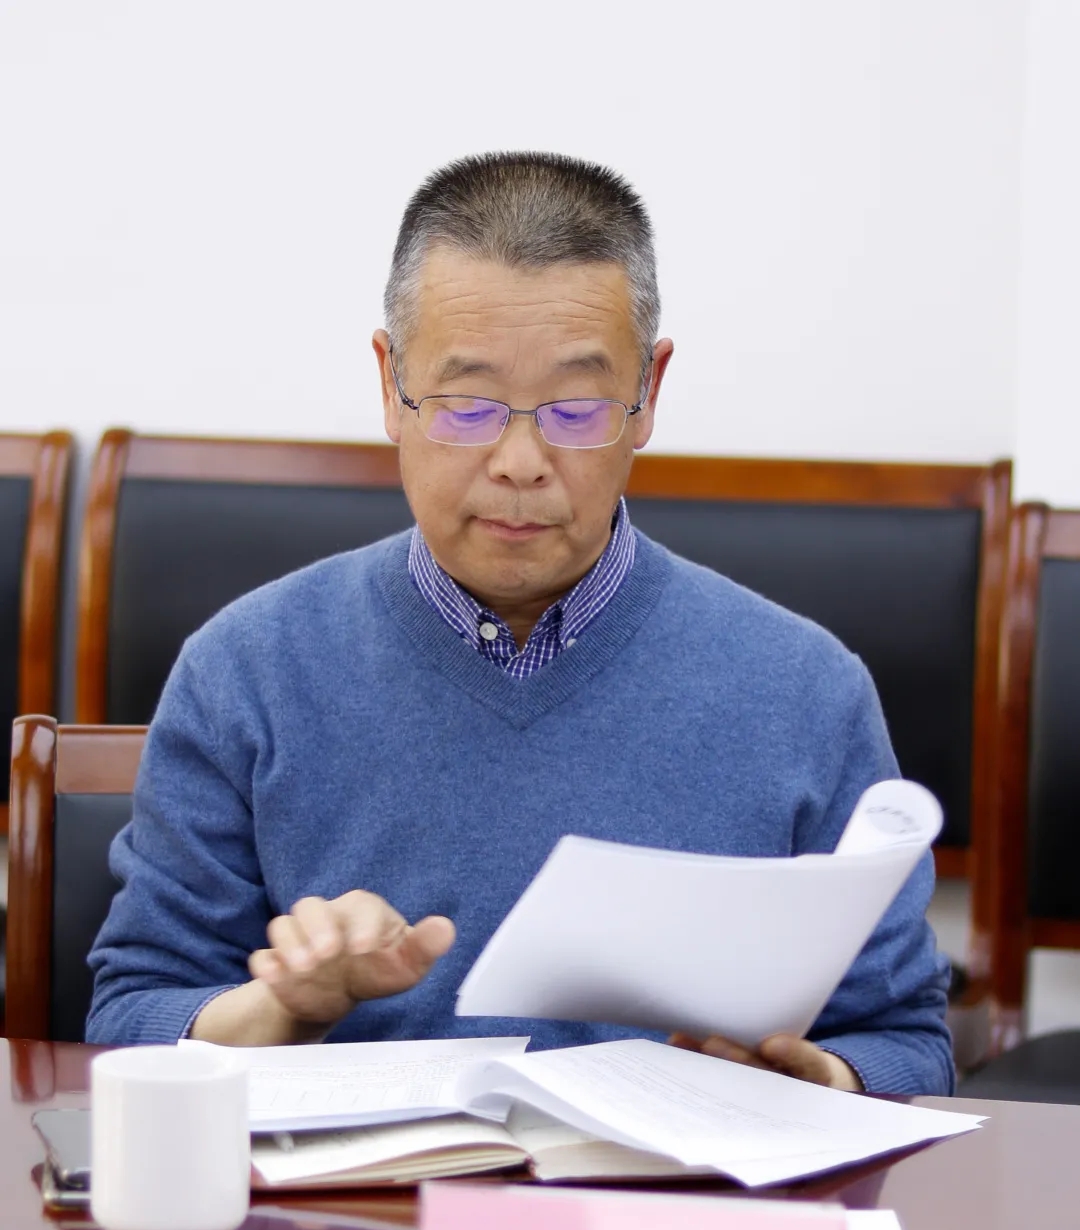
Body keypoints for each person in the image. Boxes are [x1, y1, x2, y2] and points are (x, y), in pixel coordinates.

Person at [86, 151, 953, 1095]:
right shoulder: (245, 670)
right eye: (467, 405)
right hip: (364, 1187)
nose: (521, 460)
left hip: (675, 1188)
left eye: (577, 409)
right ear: (389, 383)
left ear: (649, 394)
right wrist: (286, 1008)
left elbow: (907, 1043)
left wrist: (815, 1082)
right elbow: (131, 1016)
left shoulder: (805, 690)